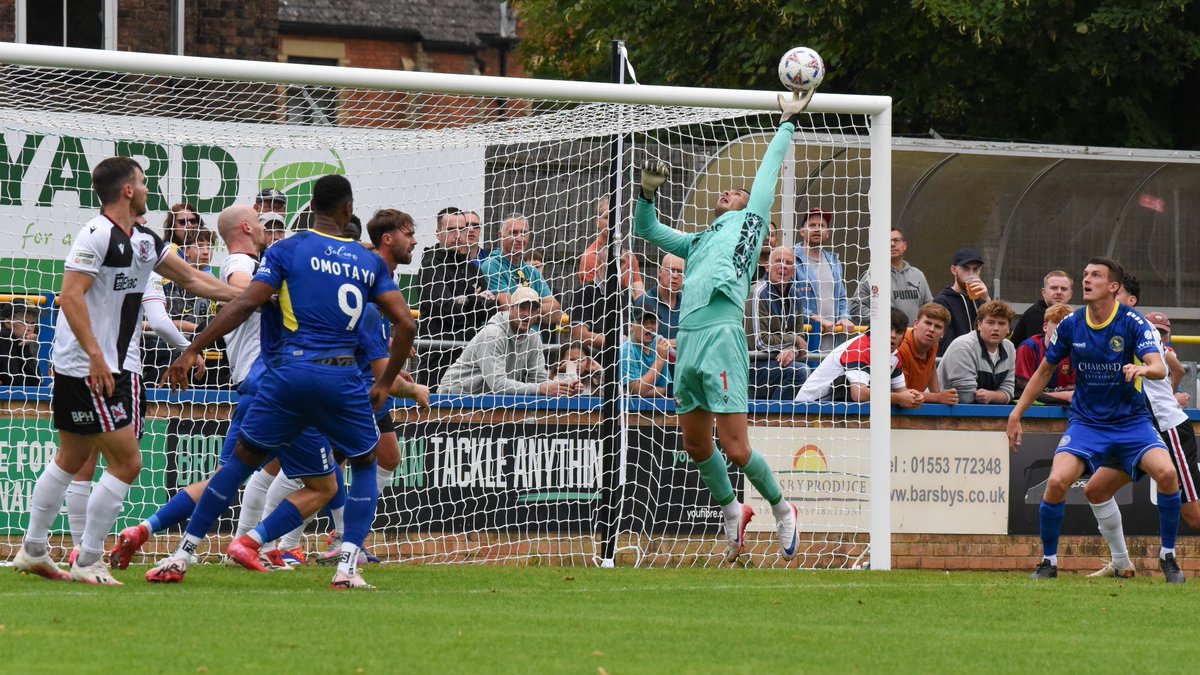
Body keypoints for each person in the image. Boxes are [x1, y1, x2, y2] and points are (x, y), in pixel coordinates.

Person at [149, 174, 416, 590]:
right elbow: (405, 324)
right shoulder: (367, 262)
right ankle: (347, 566)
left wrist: (192, 348)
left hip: (288, 375)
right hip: (340, 375)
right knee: (366, 462)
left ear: (311, 206)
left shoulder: (286, 249)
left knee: (240, 464)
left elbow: (245, 303)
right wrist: (385, 381)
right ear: (348, 210)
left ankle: (182, 554)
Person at [11, 156, 236, 585]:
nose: (149, 188)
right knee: (128, 462)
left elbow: (193, 279)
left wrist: (251, 296)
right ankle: (89, 559)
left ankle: (34, 549)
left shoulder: (146, 241)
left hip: (100, 365)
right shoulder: (94, 235)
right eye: (144, 182)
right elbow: (70, 297)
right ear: (127, 190)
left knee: (71, 457)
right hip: (95, 367)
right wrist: (97, 356)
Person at [633, 101, 807, 564]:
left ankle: (780, 506)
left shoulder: (751, 226)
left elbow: (768, 171)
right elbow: (645, 229)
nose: (728, 192)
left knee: (735, 445)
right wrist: (647, 193)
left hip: (723, 336)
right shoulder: (698, 240)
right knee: (694, 442)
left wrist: (787, 123)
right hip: (687, 340)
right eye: (725, 191)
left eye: (736, 190)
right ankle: (733, 509)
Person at [1007, 257, 1183, 583]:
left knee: (1167, 473)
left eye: (1096, 276)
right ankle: (1048, 563)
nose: (1087, 280)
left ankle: (1168, 557)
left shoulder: (1132, 322)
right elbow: (1044, 371)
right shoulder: (1072, 324)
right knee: (1057, 482)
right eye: (1085, 274)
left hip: (1132, 422)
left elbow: (1159, 366)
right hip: (1087, 424)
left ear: (1113, 287)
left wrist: (1144, 369)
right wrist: (1016, 413)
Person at [1083, 280, 1197, 581]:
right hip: (1132, 429)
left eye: (1113, 291)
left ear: (1129, 299)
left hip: (1166, 428)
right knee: (1095, 490)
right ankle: (1121, 562)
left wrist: (1165, 395)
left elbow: (1168, 365)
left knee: (1194, 516)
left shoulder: (1137, 329)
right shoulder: (1105, 330)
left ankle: (1168, 556)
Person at [438, 286, 581, 397]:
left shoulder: (533, 338)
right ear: (511, 309)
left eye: (532, 309)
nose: (527, 314)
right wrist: (540, 388)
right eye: (522, 308)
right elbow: (498, 385)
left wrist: (565, 387)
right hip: (452, 398)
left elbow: (539, 380)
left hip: (483, 401)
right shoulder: (493, 334)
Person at [415, 207, 497, 387]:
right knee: (436, 411)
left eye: (462, 229)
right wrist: (472, 300)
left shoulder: (472, 268)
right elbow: (444, 310)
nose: (459, 234)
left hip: (470, 355)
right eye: (452, 229)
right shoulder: (431, 264)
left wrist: (463, 302)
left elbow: (491, 309)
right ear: (438, 234)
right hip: (438, 353)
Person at [795, 307, 920, 408]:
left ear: (904, 336)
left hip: (839, 412)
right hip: (809, 409)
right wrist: (898, 398)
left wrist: (919, 397)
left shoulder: (894, 355)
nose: (893, 336)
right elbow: (859, 394)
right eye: (888, 329)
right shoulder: (860, 347)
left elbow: (902, 393)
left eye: (898, 332)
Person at [749, 246, 811, 401]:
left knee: (804, 371)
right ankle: (773, 419)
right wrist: (793, 341)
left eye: (788, 262)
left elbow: (801, 341)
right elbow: (760, 342)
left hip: (779, 364)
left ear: (794, 271)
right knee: (800, 371)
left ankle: (775, 419)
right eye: (778, 261)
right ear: (767, 267)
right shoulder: (757, 293)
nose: (783, 266)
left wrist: (793, 351)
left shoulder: (796, 295)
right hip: (752, 367)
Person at [793, 206, 854, 345]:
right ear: (802, 232)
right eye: (812, 225)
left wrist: (845, 317)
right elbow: (788, 300)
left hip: (834, 339)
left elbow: (842, 296)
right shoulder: (791, 260)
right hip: (805, 339)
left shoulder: (834, 261)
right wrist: (815, 318)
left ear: (827, 233)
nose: (817, 229)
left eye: (822, 225)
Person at [937, 300, 1016, 405]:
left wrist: (991, 396)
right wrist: (996, 396)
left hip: (983, 416)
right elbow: (965, 397)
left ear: (1008, 329)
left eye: (1001, 324)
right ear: (979, 324)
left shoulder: (1009, 348)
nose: (996, 328)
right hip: (940, 413)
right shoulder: (963, 346)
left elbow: (1009, 392)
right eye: (990, 322)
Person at [849, 228, 933, 325]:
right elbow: (856, 307)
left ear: (904, 246)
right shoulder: (873, 275)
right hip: (885, 338)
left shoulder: (918, 275)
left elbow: (929, 308)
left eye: (897, 240)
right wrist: (883, 322)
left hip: (914, 338)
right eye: (887, 241)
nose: (892, 244)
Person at [578, 196, 644, 296]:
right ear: (597, 222)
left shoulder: (629, 256)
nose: (612, 222)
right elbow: (595, 297)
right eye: (607, 217)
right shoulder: (590, 256)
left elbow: (640, 296)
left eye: (615, 217)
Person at [932, 247, 991, 355]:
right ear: (954, 270)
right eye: (966, 268)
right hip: (956, 363)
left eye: (975, 269)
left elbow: (1004, 331)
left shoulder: (982, 299)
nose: (971, 274)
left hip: (982, 364)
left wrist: (987, 301)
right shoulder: (942, 302)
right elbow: (947, 345)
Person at [896, 303, 957, 405]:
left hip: (913, 406)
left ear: (943, 333)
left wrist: (938, 393)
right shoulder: (901, 348)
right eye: (928, 323)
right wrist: (938, 397)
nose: (931, 329)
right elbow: (904, 393)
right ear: (916, 324)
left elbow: (931, 367)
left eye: (937, 326)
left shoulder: (933, 344)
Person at [1013, 303, 1075, 405]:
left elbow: (1076, 392)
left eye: (1066, 325)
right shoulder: (1028, 348)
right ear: (1045, 327)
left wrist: (1042, 394)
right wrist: (1062, 395)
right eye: (1057, 323)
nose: (1062, 329)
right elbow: (1022, 390)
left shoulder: (1075, 350)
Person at [1011, 270, 1073, 346]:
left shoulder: (1071, 316)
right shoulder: (1035, 315)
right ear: (1044, 292)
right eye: (1054, 288)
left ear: (1070, 295)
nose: (1059, 292)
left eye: (1063, 289)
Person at [634, 254, 685, 345]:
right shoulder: (644, 302)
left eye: (680, 272)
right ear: (660, 272)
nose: (675, 275)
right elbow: (636, 340)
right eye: (670, 270)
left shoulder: (688, 303)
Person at [621, 309, 671, 398]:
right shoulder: (626, 350)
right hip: (627, 408)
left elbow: (663, 389)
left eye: (652, 322)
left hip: (655, 407)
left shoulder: (659, 345)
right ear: (631, 326)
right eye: (643, 322)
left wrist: (642, 390)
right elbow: (637, 391)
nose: (649, 327)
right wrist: (660, 360)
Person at [0, 298, 42, 387]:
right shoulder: (5, 336)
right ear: (8, 323)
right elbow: (13, 381)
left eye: (32, 323)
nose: (30, 328)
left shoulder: (18, 341)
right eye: (25, 322)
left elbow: (36, 381)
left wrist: (24, 347)